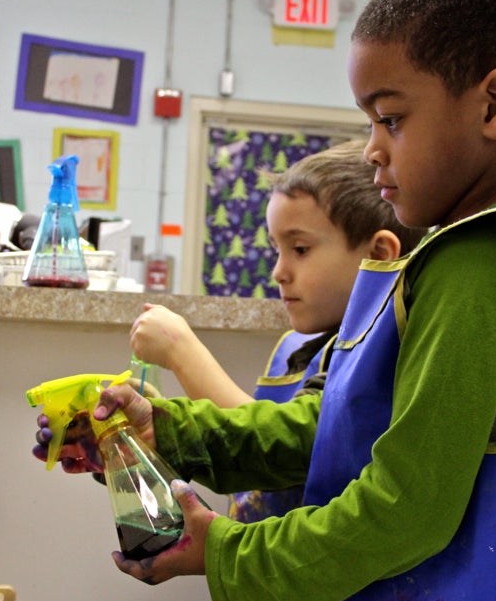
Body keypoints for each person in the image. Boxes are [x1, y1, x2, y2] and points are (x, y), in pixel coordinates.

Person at [42, 0, 496, 601]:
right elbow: (339, 425)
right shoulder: (480, 261)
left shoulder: (479, 268)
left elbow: (405, 508)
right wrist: (169, 430)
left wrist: (227, 549)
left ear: (495, 106)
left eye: (391, 118)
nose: (372, 148)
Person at [127, 141, 426, 522]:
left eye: (300, 249)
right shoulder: (302, 346)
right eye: (277, 250)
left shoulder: (386, 355)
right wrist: (151, 417)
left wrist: (181, 352)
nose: (278, 272)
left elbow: (281, 447)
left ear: (380, 255)